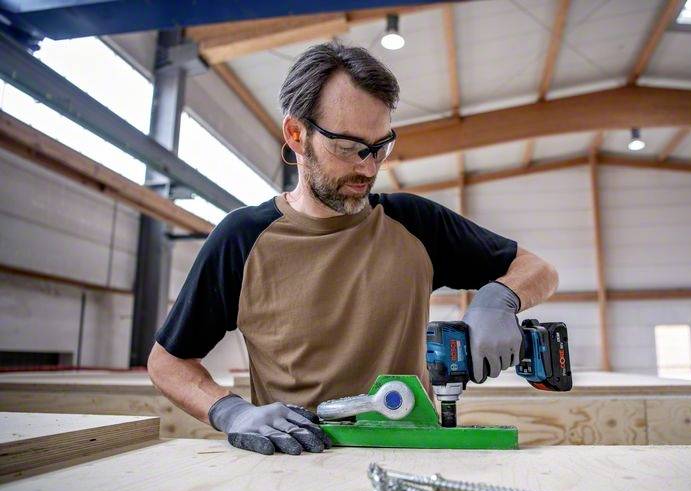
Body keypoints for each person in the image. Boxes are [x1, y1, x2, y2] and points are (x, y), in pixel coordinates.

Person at [147, 41, 559, 456]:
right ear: (296, 134)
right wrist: (230, 412)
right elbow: (167, 362)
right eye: (347, 148)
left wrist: (499, 298)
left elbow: (537, 269)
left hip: (413, 459)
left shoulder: (415, 225)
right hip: (296, 463)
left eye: (381, 146)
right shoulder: (243, 239)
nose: (368, 166)